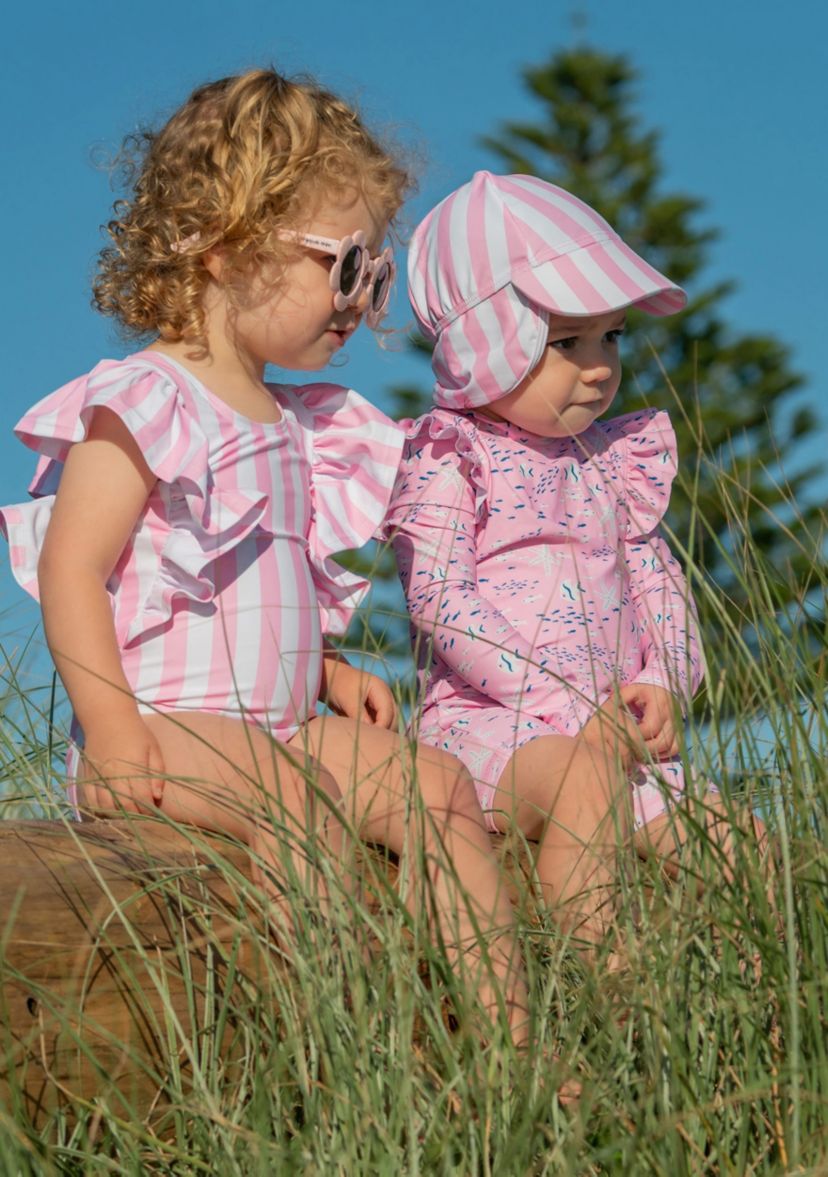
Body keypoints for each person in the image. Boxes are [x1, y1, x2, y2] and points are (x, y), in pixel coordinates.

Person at [0, 79, 529, 1045]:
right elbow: (73, 571)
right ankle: (349, 1048)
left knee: (438, 785)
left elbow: (254, 587)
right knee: (298, 810)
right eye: (347, 265)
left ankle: (509, 1047)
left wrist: (324, 668)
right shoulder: (146, 399)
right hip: (163, 726)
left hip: (280, 728)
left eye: (377, 275)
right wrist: (112, 728)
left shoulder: (296, 426)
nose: (361, 302)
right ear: (226, 243)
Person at [386, 171, 764, 957]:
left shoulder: (610, 460)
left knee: (743, 845)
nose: (599, 366)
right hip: (494, 732)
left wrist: (665, 680)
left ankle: (755, 1013)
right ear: (486, 341)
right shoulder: (452, 456)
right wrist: (567, 705)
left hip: (617, 739)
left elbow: (659, 583)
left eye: (611, 337)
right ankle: (600, 991)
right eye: (567, 342)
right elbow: (441, 601)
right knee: (584, 790)